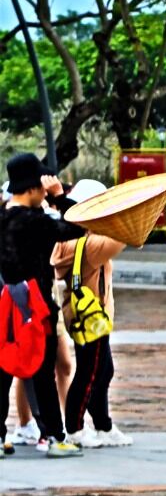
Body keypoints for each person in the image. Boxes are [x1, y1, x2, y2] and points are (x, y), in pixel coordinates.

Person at [0, 153, 87, 457]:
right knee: (42, 371)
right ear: (35, 189)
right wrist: (60, 197)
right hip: (36, 305)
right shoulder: (35, 221)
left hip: (7, 304)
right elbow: (77, 228)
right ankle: (55, 437)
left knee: (3, 370)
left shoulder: (2, 218)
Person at [51, 181, 132, 448]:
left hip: (87, 317)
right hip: (90, 318)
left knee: (102, 370)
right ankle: (74, 427)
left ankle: (103, 425)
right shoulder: (85, 243)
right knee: (89, 373)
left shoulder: (70, 239)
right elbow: (124, 236)